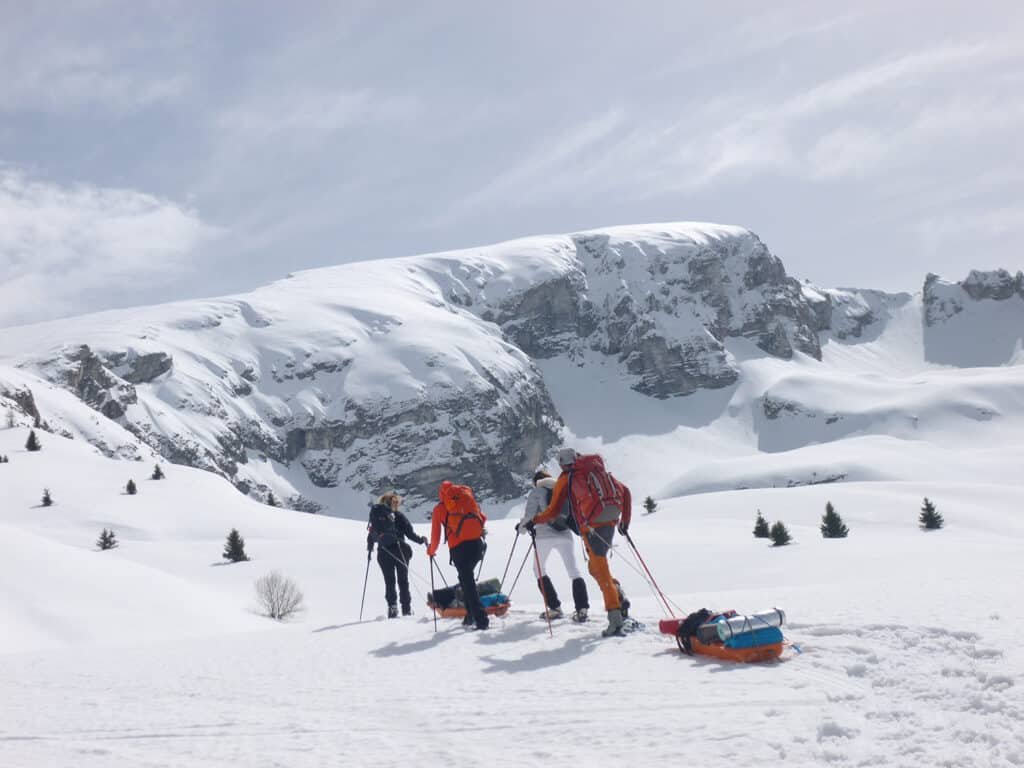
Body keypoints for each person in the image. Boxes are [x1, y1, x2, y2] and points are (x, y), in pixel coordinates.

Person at [532, 448, 632, 637]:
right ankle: (618, 594)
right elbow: (625, 491)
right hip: (609, 522)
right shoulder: (596, 471)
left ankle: (615, 620)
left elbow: (553, 511)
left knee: (601, 569)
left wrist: (535, 520)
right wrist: (625, 522)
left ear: (562, 463)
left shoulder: (566, 478)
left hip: (591, 527)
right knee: (595, 568)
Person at [517, 469, 590, 622]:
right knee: (574, 571)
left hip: (544, 536)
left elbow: (529, 516)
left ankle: (555, 608)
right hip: (566, 534)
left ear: (536, 482)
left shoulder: (537, 491)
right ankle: (582, 609)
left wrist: (521, 528)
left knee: (538, 569)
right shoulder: (562, 490)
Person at [426, 481, 489, 630]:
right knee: (465, 580)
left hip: (459, 550)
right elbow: (483, 518)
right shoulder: (466, 500)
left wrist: (431, 550)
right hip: (477, 545)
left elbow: (435, 537)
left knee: (468, 583)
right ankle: (470, 615)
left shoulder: (439, 509)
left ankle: (481, 620)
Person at [367, 491, 426, 618]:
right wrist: (421, 540)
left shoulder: (376, 515)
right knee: (403, 581)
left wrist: (370, 548)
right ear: (393, 503)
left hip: (384, 552)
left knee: (389, 581)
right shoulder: (399, 516)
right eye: (396, 502)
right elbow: (410, 534)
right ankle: (406, 609)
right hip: (400, 550)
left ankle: (392, 608)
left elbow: (371, 534)